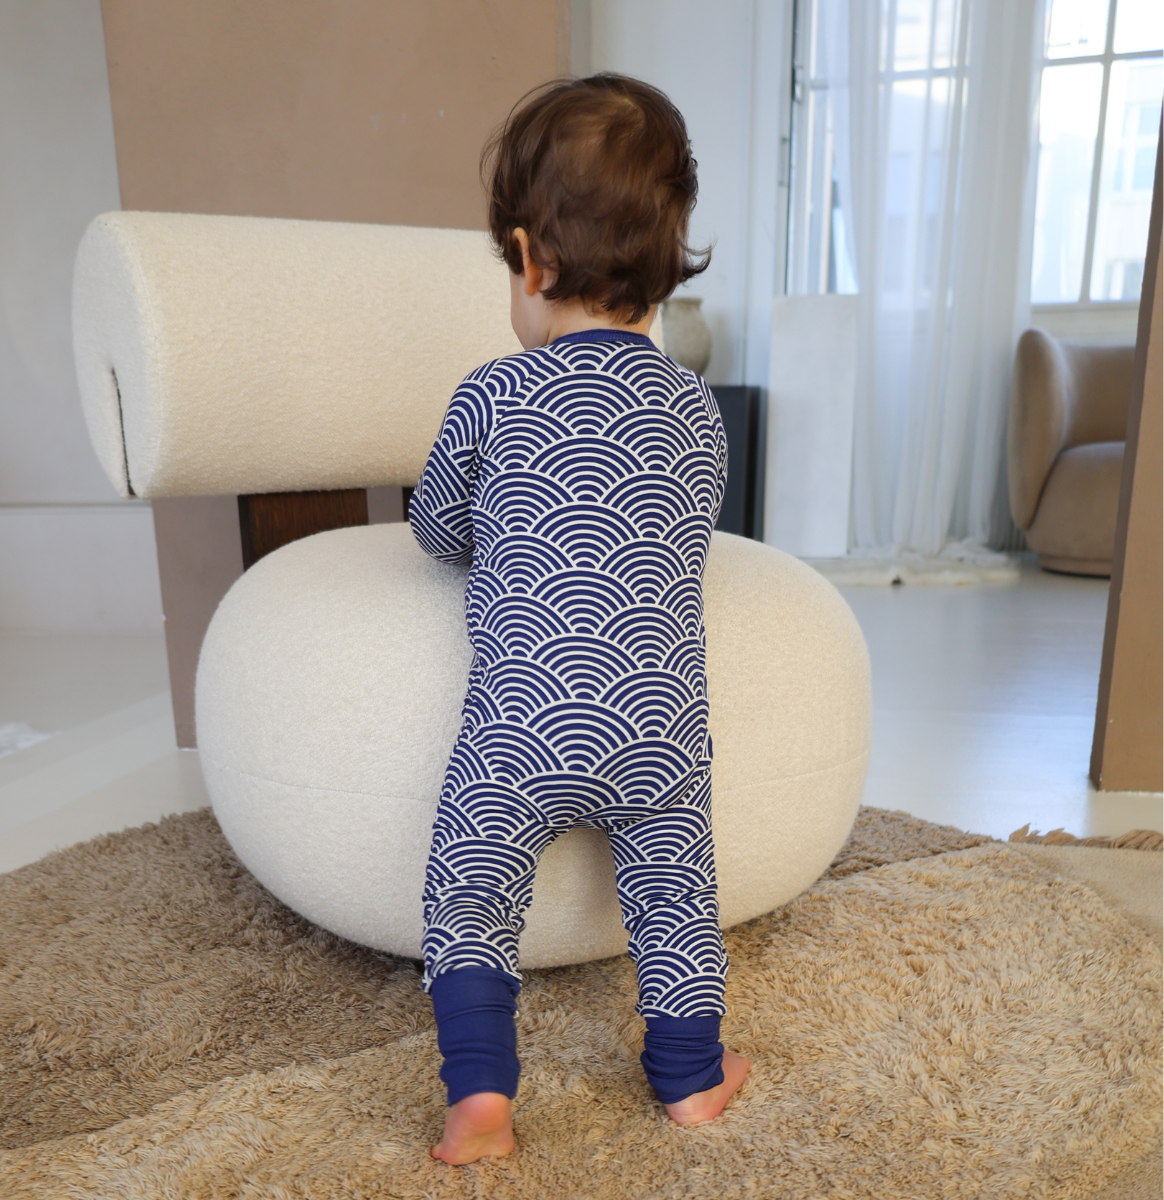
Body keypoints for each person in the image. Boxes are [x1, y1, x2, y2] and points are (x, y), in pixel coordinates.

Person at [408, 73, 750, 1166]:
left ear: (528, 260)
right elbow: (688, 533)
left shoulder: (492, 394)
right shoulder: (698, 409)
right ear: (667, 260)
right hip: (660, 729)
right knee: (677, 892)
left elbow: (437, 530)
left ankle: (480, 1099)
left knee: (469, 888)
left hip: (522, 726)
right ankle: (691, 1078)